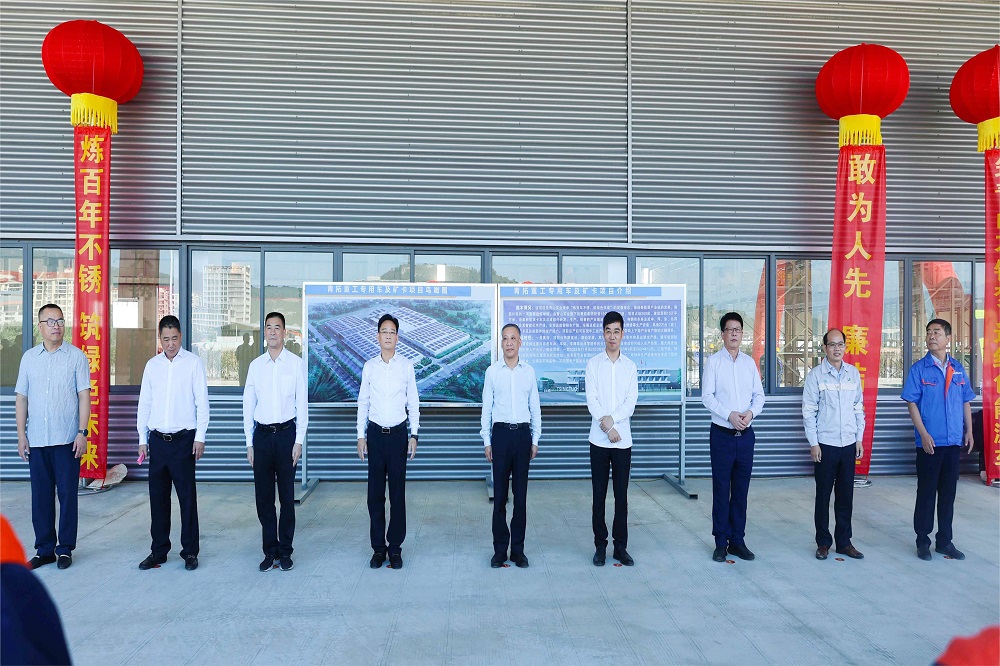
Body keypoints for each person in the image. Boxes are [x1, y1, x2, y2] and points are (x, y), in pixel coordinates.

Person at [14, 304, 90, 570]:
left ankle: (65, 548)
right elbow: (22, 398)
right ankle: (45, 549)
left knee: (68, 496)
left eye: (60, 320)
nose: (56, 326)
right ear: (40, 327)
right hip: (37, 439)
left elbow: (84, 396)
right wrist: (21, 434)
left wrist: (82, 432)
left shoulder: (77, 357)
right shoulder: (29, 359)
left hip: (67, 439)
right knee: (41, 497)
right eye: (50, 321)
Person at [136, 315, 210, 571]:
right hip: (157, 441)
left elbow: (202, 403)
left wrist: (200, 437)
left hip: (183, 441)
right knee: (158, 498)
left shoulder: (193, 363)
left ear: (181, 337)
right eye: (165, 339)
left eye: (174, 338)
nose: (170, 344)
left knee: (187, 498)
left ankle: (190, 552)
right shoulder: (152, 366)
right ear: (160, 339)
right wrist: (142, 439)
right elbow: (144, 403)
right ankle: (158, 551)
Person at [901, 318, 976, 561]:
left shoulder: (958, 368)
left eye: (937, 332)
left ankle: (944, 541)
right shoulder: (919, 369)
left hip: (952, 442)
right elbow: (911, 403)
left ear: (948, 338)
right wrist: (923, 434)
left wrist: (969, 431)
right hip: (930, 443)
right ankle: (922, 541)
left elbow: (965, 400)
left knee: (948, 494)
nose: (931, 336)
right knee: (926, 493)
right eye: (928, 332)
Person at [243, 312, 308, 572]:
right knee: (264, 499)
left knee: (287, 497)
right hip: (261, 437)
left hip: (286, 436)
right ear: (265, 332)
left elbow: (302, 405)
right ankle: (270, 551)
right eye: (268, 327)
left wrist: (299, 441)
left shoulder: (295, 364)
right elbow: (248, 406)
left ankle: (286, 551)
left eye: (277, 327)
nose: (272, 332)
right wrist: (249, 442)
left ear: (284, 333)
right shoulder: (255, 366)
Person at [357, 314, 419, 570]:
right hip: (374, 435)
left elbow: (413, 402)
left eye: (392, 332)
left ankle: (394, 548)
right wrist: (360, 435)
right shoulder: (369, 367)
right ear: (378, 336)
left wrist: (414, 434)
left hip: (398, 436)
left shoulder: (406, 366)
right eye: (384, 331)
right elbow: (363, 402)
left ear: (397, 337)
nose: (388, 336)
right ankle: (378, 549)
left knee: (397, 494)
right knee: (374, 495)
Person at [702, 312, 765, 563]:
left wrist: (750, 413)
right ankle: (720, 542)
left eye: (738, 329)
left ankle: (738, 540)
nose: (734, 334)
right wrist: (729, 414)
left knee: (741, 491)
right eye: (730, 330)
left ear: (742, 333)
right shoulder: (714, 362)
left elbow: (759, 396)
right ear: (722, 334)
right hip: (722, 435)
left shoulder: (749, 363)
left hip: (746, 435)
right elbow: (707, 396)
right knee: (721, 489)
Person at [481, 323, 542, 569]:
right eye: (505, 338)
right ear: (501, 343)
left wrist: (535, 439)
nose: (509, 343)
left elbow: (535, 407)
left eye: (513, 338)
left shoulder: (529, 372)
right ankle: (499, 551)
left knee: (520, 497)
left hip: (522, 436)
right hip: (501, 435)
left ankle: (518, 551)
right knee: (499, 498)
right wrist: (487, 440)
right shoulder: (492, 372)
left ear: (520, 342)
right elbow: (486, 408)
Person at [802, 328, 865, 561]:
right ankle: (823, 543)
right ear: (824, 348)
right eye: (832, 344)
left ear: (845, 347)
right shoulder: (816, 376)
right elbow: (809, 411)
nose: (837, 349)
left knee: (845, 495)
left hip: (848, 443)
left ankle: (844, 542)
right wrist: (814, 443)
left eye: (840, 344)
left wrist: (859, 438)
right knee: (823, 495)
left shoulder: (853, 374)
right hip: (825, 444)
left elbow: (858, 408)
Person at [585, 311, 638, 567]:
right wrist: (607, 428)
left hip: (622, 441)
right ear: (603, 334)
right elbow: (592, 400)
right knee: (599, 496)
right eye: (608, 331)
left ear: (622, 334)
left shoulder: (630, 367)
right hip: (598, 441)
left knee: (621, 497)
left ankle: (620, 547)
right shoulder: (593, 364)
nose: (612, 336)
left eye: (616, 331)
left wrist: (613, 422)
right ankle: (600, 545)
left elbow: (630, 403)